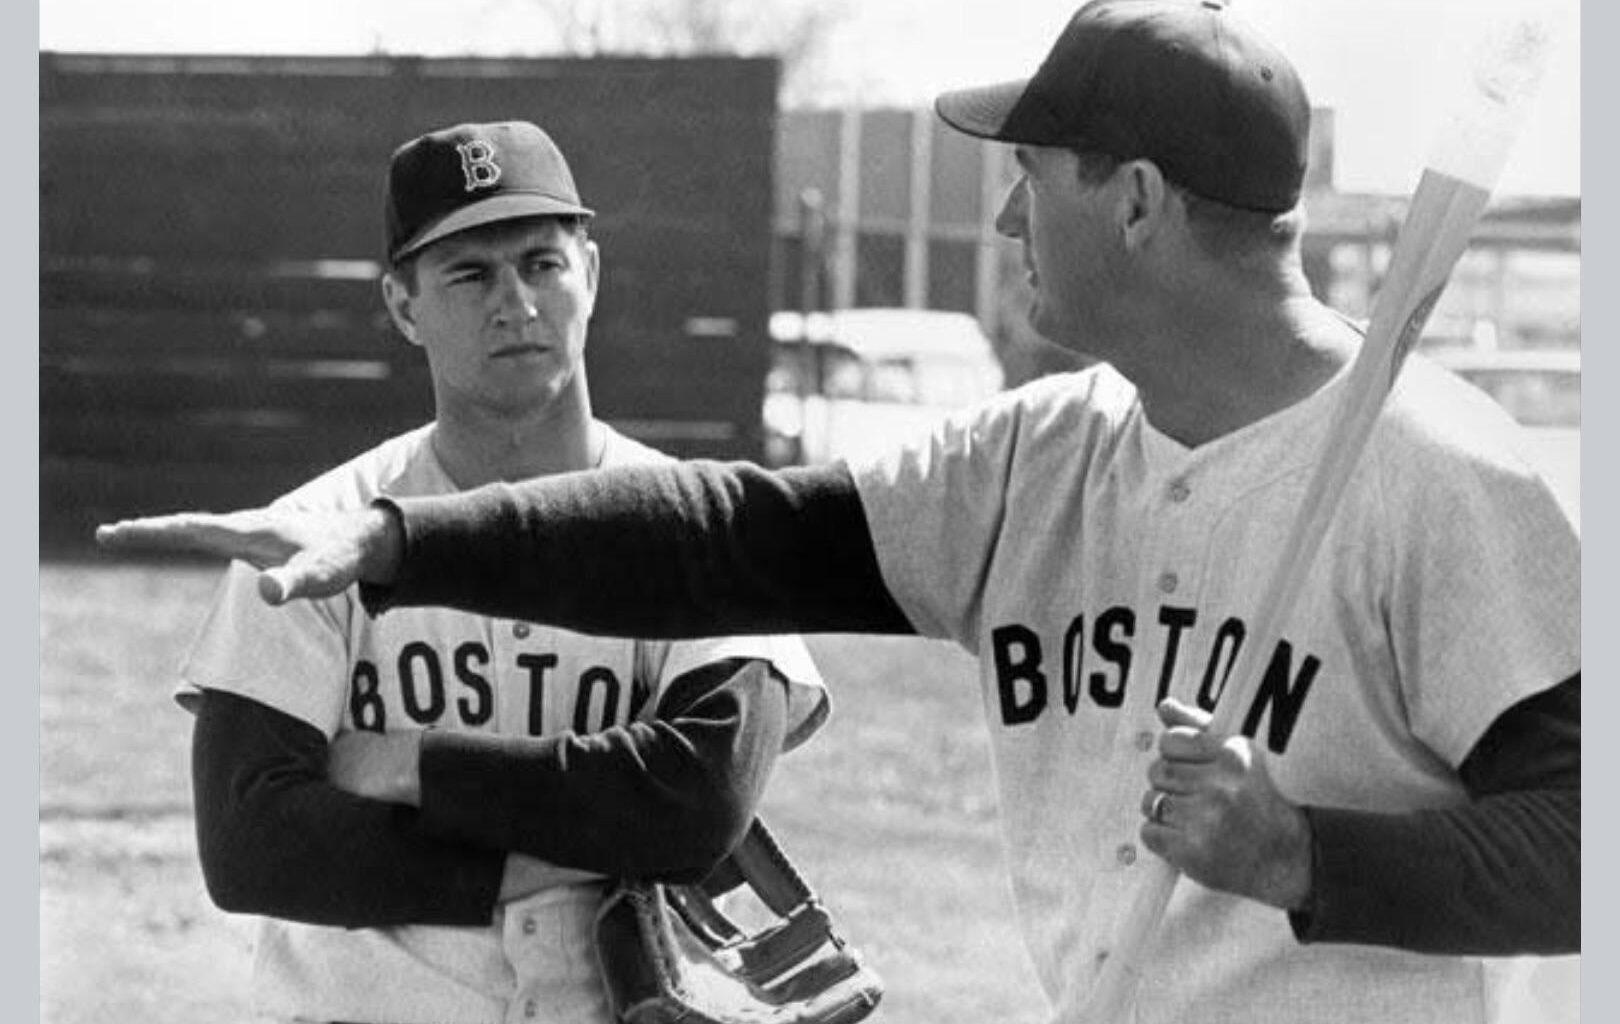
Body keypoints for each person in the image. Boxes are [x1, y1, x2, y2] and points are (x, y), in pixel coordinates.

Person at [99, 4, 1579, 1023]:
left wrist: (1306, 855)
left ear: (1135, 202)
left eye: (1030, 179)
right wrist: (406, 541)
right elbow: (735, 534)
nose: (1005, 220)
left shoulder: (1446, 481)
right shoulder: (1039, 460)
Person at [155, 119, 827, 1024]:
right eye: (469, 274)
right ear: (403, 305)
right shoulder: (314, 537)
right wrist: (563, 848)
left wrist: (411, 765)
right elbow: (255, 844)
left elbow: (699, 801)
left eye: (541, 263)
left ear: (591, 274)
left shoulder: (702, 527)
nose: (515, 302)